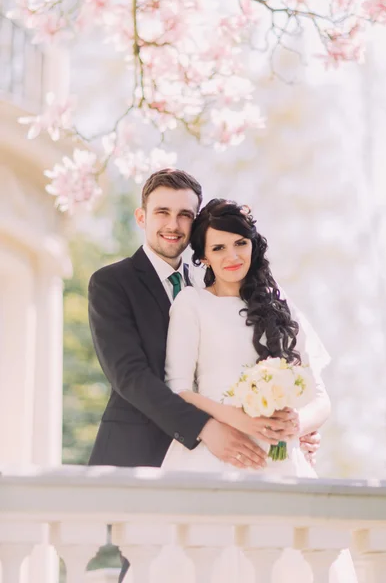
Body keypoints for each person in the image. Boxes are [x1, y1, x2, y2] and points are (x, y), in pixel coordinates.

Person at [87, 169, 321, 580]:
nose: (173, 224)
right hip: (145, 450)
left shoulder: (217, 279)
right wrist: (207, 427)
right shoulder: (112, 283)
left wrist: (294, 423)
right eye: (163, 211)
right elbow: (130, 377)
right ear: (142, 217)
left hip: (248, 454)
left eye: (184, 214)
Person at [161, 198, 358, 581]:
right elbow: (178, 388)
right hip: (216, 455)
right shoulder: (192, 303)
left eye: (240, 242)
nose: (232, 255)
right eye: (218, 247)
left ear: (254, 244)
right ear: (202, 257)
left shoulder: (281, 308)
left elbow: (321, 397)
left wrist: (296, 425)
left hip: (282, 462)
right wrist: (235, 417)